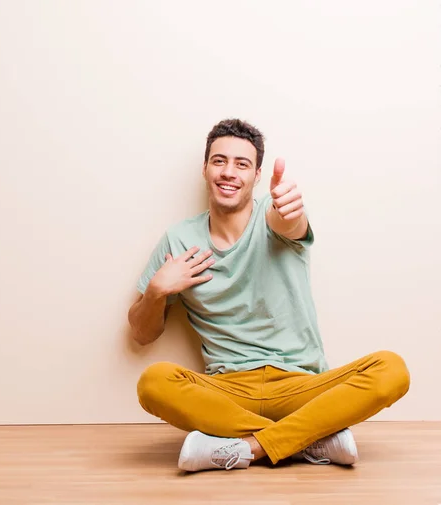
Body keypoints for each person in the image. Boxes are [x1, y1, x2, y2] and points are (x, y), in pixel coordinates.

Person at [127, 118, 410, 472]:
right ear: (205, 169)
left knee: (392, 369)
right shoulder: (178, 239)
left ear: (257, 175)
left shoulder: (274, 215)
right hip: (228, 391)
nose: (229, 172)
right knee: (153, 383)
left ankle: (246, 448)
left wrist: (290, 214)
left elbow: (290, 223)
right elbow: (141, 334)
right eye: (219, 161)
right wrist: (156, 291)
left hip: (301, 387)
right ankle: (309, 440)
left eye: (241, 164)